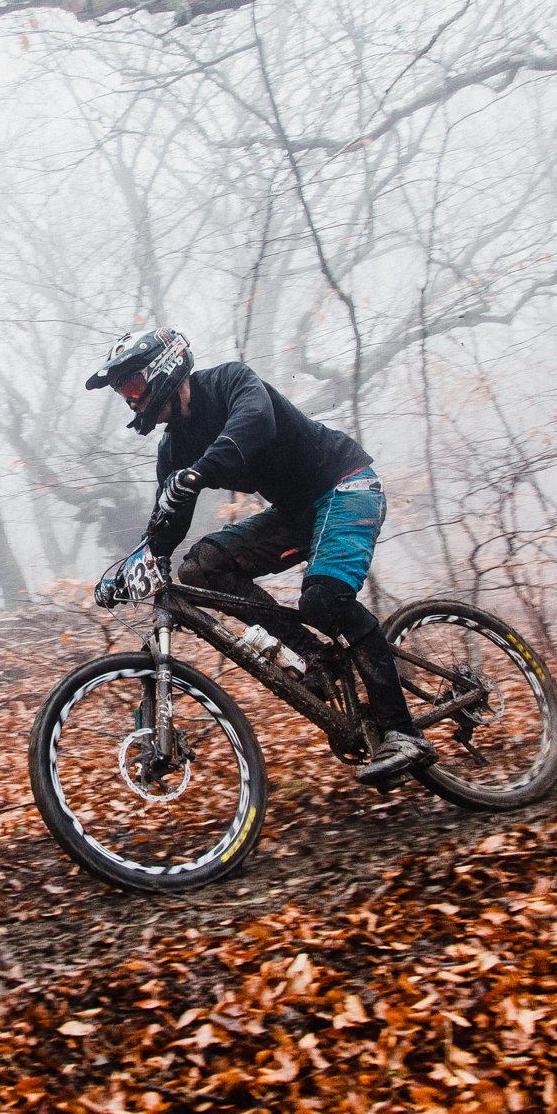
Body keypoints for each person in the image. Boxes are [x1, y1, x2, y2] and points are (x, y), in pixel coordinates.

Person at [85, 327, 436, 787]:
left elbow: (254, 423)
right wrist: (134, 568)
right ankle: (311, 657)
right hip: (294, 513)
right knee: (201, 569)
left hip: (346, 484)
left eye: (132, 386)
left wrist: (198, 473)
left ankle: (402, 731)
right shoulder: (174, 447)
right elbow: (167, 526)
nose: (131, 401)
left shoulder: (230, 381)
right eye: (122, 393)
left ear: (165, 367)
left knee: (323, 601)